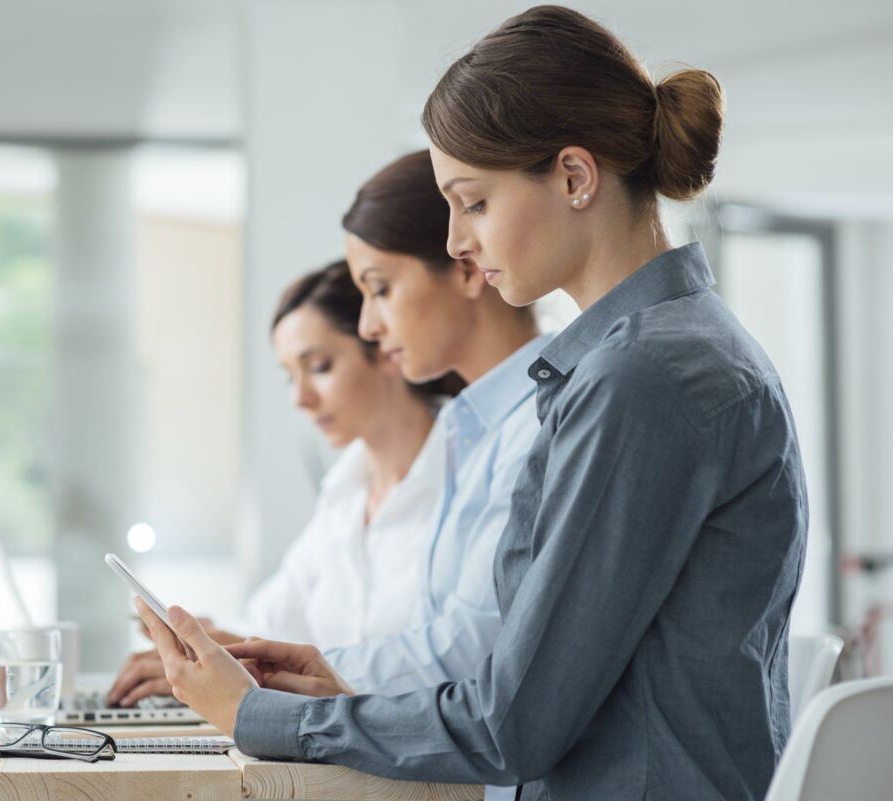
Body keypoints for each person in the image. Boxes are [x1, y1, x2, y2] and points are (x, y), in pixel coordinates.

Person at [134, 6, 808, 801]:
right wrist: (337, 686)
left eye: (473, 202)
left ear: (574, 177)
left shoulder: (642, 379)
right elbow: (521, 688)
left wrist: (260, 718)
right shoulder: (655, 357)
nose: (456, 240)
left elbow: (512, 724)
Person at [110, 150, 547, 713]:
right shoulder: (443, 443)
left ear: (465, 266)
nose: (372, 327)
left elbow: (472, 651)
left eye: (381, 289)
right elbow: (285, 618)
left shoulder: (523, 430)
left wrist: (285, 671)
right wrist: (234, 651)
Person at [107, 259, 456, 707]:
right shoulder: (345, 495)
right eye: (290, 375)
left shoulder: (466, 475)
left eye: (320, 366)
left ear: (385, 344)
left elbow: (456, 657)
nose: (299, 397)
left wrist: (245, 654)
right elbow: (272, 618)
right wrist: (213, 642)